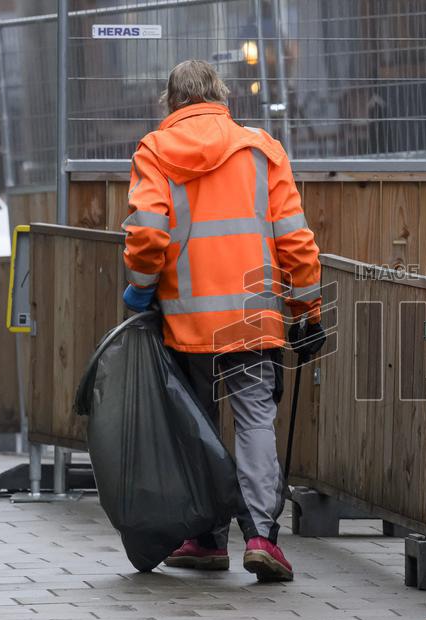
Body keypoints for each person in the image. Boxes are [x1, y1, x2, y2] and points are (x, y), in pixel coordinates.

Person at [120, 59, 326, 582]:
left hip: (186, 324)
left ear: (169, 101)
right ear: (222, 95)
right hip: (252, 320)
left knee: (199, 426)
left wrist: (142, 289)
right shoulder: (261, 149)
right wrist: (307, 311)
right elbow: (296, 239)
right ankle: (261, 537)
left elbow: (147, 232)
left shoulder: (155, 151)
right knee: (256, 420)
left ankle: (208, 540)